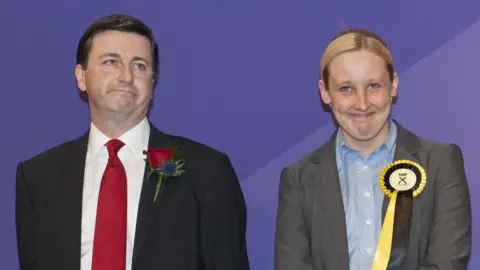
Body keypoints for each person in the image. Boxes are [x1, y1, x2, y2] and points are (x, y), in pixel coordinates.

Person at [15, 14, 250, 270]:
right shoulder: (38, 176)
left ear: (153, 81)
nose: (126, 76)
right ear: (81, 77)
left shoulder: (207, 170)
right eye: (111, 62)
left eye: (139, 66)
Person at [274, 28, 472, 270]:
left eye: (374, 85)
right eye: (346, 88)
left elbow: (447, 263)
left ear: (394, 85)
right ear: (325, 92)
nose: (362, 103)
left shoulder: (441, 163)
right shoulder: (298, 179)